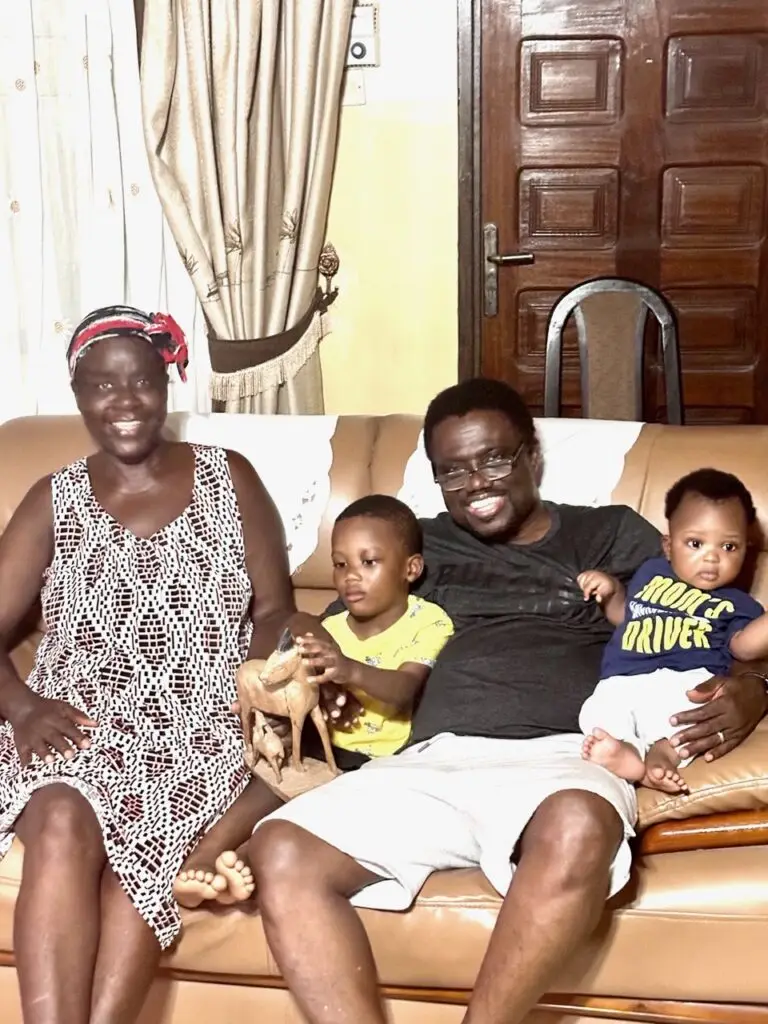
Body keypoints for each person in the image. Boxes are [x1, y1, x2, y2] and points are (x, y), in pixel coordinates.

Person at [242, 378, 768, 1024]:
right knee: (282, 850)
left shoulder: (609, 534)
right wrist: (307, 653)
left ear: (531, 456)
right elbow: (325, 628)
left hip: (568, 754)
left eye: (494, 459)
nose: (476, 483)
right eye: (453, 469)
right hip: (430, 758)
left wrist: (755, 688)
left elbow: (721, 623)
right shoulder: (415, 547)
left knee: (579, 823)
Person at [0, 305, 321, 1024]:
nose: (125, 402)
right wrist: (21, 707)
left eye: (142, 381)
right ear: (77, 394)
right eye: (102, 386)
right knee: (61, 817)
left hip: (201, 731)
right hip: (77, 724)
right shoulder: (53, 497)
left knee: (144, 857)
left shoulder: (230, 477)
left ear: (166, 384)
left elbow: (275, 609)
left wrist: (266, 688)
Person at [579, 468, 767, 794]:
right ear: (668, 546)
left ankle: (661, 757)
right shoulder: (650, 574)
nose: (712, 558)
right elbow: (627, 614)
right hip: (623, 676)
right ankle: (624, 752)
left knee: (686, 719)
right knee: (598, 712)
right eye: (695, 543)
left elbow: (744, 647)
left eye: (729, 547)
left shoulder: (738, 604)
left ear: (745, 550)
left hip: (686, 679)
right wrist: (610, 593)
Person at [301, 494, 454, 771]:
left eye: (369, 561)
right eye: (340, 564)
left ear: (411, 568)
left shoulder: (428, 621)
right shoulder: (329, 629)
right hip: (320, 753)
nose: (350, 576)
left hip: (386, 761)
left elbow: (405, 687)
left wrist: (349, 669)